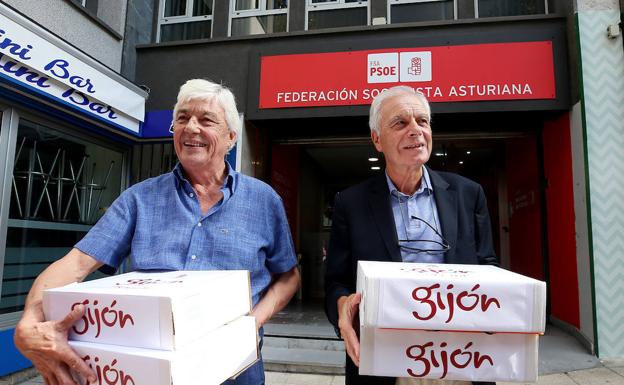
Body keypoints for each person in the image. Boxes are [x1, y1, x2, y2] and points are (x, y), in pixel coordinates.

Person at [14, 79, 300, 385]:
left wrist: (250, 323)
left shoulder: (263, 199)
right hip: (152, 371)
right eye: (182, 119)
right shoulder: (140, 198)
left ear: (230, 137)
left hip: (236, 370)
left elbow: (288, 275)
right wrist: (30, 320)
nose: (191, 127)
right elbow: (76, 264)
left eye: (206, 120)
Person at [324, 86, 498, 385]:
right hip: (385, 361)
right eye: (400, 123)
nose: (416, 130)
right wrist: (343, 309)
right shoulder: (350, 203)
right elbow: (337, 282)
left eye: (423, 121)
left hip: (460, 357)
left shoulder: (468, 194)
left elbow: (487, 268)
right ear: (377, 139)